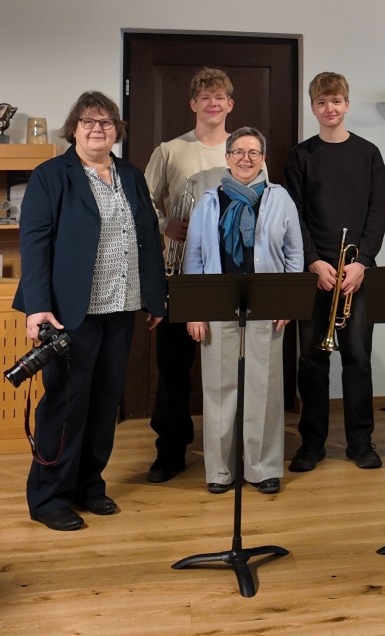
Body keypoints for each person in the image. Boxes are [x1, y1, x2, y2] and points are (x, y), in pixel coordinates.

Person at [13, 91, 167, 531]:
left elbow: (147, 237)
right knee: (65, 403)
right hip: (67, 312)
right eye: (88, 122)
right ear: (74, 128)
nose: (97, 129)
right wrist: (37, 306)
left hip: (121, 306)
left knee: (104, 402)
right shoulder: (50, 175)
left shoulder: (131, 175)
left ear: (117, 129)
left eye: (105, 122)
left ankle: (88, 486)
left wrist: (154, 297)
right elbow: (36, 243)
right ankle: (49, 497)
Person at [183, 127, 303, 494]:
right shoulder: (208, 200)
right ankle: (220, 470)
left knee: (264, 387)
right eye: (238, 152)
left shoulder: (280, 198)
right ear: (227, 157)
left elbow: (295, 254)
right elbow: (194, 257)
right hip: (218, 303)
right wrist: (195, 310)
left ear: (263, 158)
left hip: (268, 302)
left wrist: (289, 301)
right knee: (219, 388)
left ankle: (262, 468)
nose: (246, 158)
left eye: (254, 152)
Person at [283, 72, 385, 471]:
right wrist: (313, 260)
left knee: (358, 358)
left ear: (347, 104)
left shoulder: (369, 153)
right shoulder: (300, 156)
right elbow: (294, 214)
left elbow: (378, 212)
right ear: (313, 108)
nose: (330, 109)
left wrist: (362, 263)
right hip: (316, 271)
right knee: (311, 360)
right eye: (322, 103)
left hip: (358, 273)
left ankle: (361, 442)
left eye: (337, 101)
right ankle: (312, 444)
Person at [144, 67, 235, 484]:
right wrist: (165, 225)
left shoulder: (243, 150)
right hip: (178, 273)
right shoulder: (170, 150)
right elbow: (143, 204)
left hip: (228, 275)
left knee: (228, 368)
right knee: (174, 367)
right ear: (193, 104)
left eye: (220, 98)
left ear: (230, 105)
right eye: (205, 97)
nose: (213, 104)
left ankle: (229, 448)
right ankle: (171, 450)